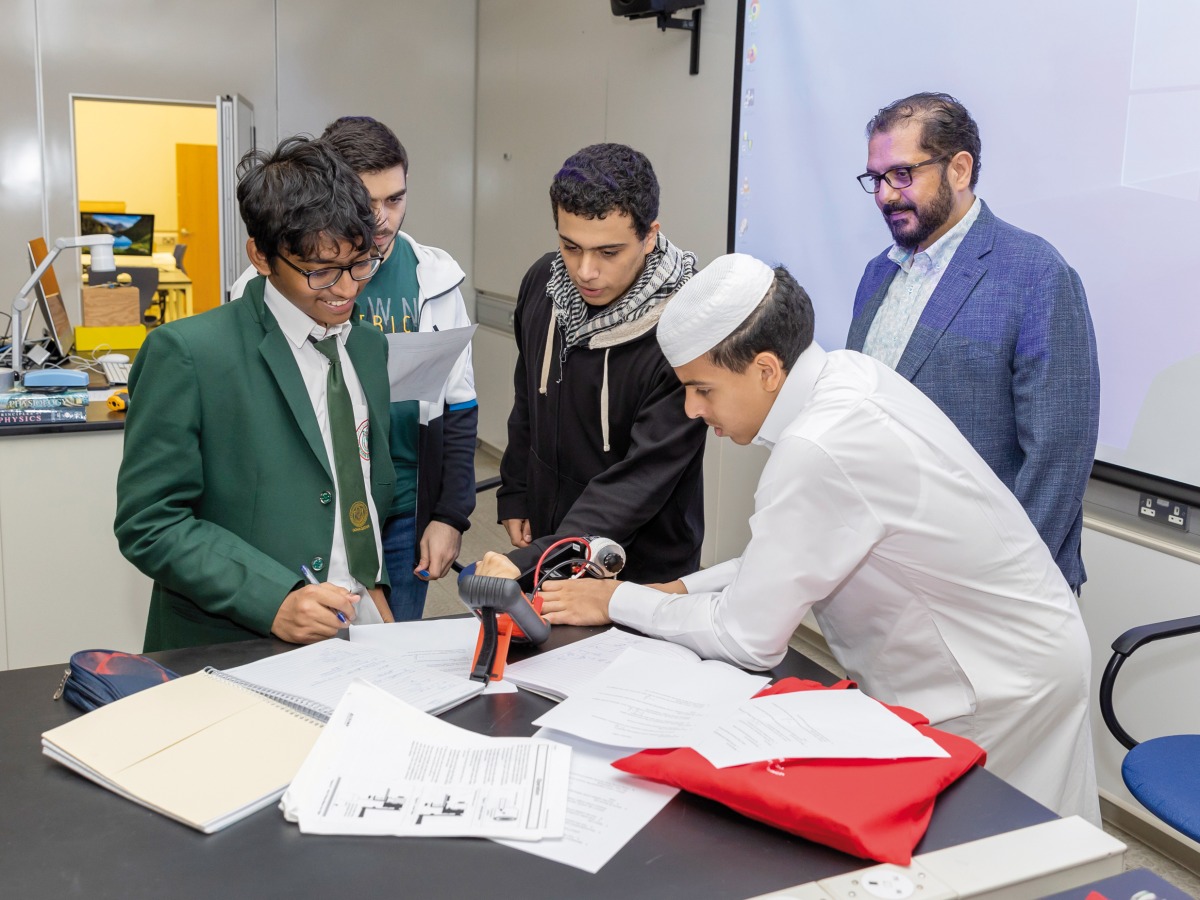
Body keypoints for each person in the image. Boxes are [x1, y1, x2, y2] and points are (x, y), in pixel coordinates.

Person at [501, 253, 1100, 824]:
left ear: (765, 369)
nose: (689, 410)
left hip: (994, 684)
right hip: (1003, 655)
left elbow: (747, 640)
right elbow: (790, 550)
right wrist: (681, 587)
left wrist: (617, 600)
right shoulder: (844, 377)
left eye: (702, 389)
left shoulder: (821, 445)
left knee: (993, 861)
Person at [115, 136, 395, 651]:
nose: (348, 289)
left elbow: (369, 485)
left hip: (358, 627)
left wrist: (374, 585)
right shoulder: (189, 354)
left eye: (361, 263)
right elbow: (149, 522)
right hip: (234, 642)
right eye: (320, 271)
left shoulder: (369, 348)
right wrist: (274, 599)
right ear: (262, 257)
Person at [846, 92, 1100, 593]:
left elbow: (1058, 456)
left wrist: (1004, 584)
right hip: (895, 576)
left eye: (902, 174)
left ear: (958, 169)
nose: (884, 195)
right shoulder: (879, 273)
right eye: (876, 179)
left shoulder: (1037, 275)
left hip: (996, 589)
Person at [495, 142, 707, 585]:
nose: (585, 271)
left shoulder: (684, 330)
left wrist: (542, 554)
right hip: (554, 541)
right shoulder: (542, 283)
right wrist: (516, 490)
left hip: (641, 565)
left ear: (649, 236)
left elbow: (641, 477)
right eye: (570, 247)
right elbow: (526, 398)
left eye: (608, 253)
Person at [319, 116, 478, 621]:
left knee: (398, 651)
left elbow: (461, 405)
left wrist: (450, 516)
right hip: (326, 501)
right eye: (367, 203)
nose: (383, 218)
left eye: (395, 199)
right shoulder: (290, 281)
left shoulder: (434, 277)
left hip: (407, 500)